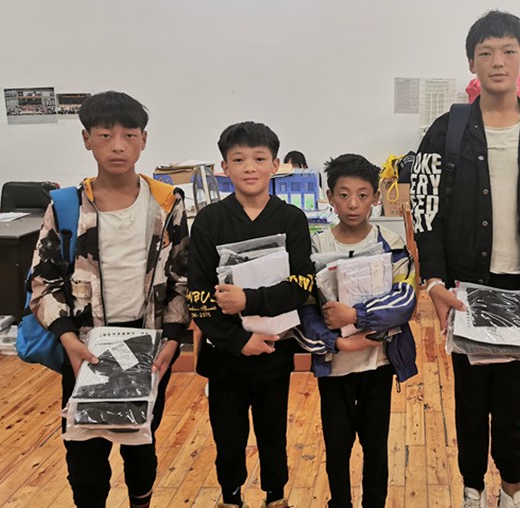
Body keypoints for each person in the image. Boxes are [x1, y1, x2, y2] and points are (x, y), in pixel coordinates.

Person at [411, 10, 520, 508]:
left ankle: (512, 488)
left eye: (508, 51)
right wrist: (434, 282)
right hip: (466, 289)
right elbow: (425, 210)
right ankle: (471, 489)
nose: (497, 61)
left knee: (514, 403)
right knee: (469, 401)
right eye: (485, 52)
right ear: (472, 63)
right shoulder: (445, 132)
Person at [29, 90, 190, 508]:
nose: (117, 146)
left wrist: (174, 339)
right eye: (105, 135)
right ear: (87, 139)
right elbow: (44, 281)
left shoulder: (167, 203)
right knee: (84, 452)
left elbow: (181, 278)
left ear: (144, 140)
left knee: (140, 442)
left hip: (147, 344)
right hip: (85, 344)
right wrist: (67, 338)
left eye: (129, 135)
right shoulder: (67, 205)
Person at [187, 121, 315, 508]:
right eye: (239, 159)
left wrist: (249, 301)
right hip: (225, 354)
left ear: (276, 165)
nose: (249, 168)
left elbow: (302, 285)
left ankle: (276, 495)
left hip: (275, 349)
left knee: (273, 432)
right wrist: (238, 339)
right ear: (224, 167)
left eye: (259, 159)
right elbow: (198, 294)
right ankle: (230, 496)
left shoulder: (291, 219)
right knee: (228, 436)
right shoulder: (209, 220)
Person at [294, 153, 417, 508]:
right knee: (337, 445)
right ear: (330, 197)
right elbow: (304, 309)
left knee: (376, 445)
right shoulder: (316, 246)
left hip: (378, 364)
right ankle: (340, 502)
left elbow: (404, 301)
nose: (353, 204)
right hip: (334, 367)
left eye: (362, 195)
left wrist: (356, 315)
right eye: (344, 195)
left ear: (375, 197)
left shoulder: (391, 242)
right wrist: (335, 342)